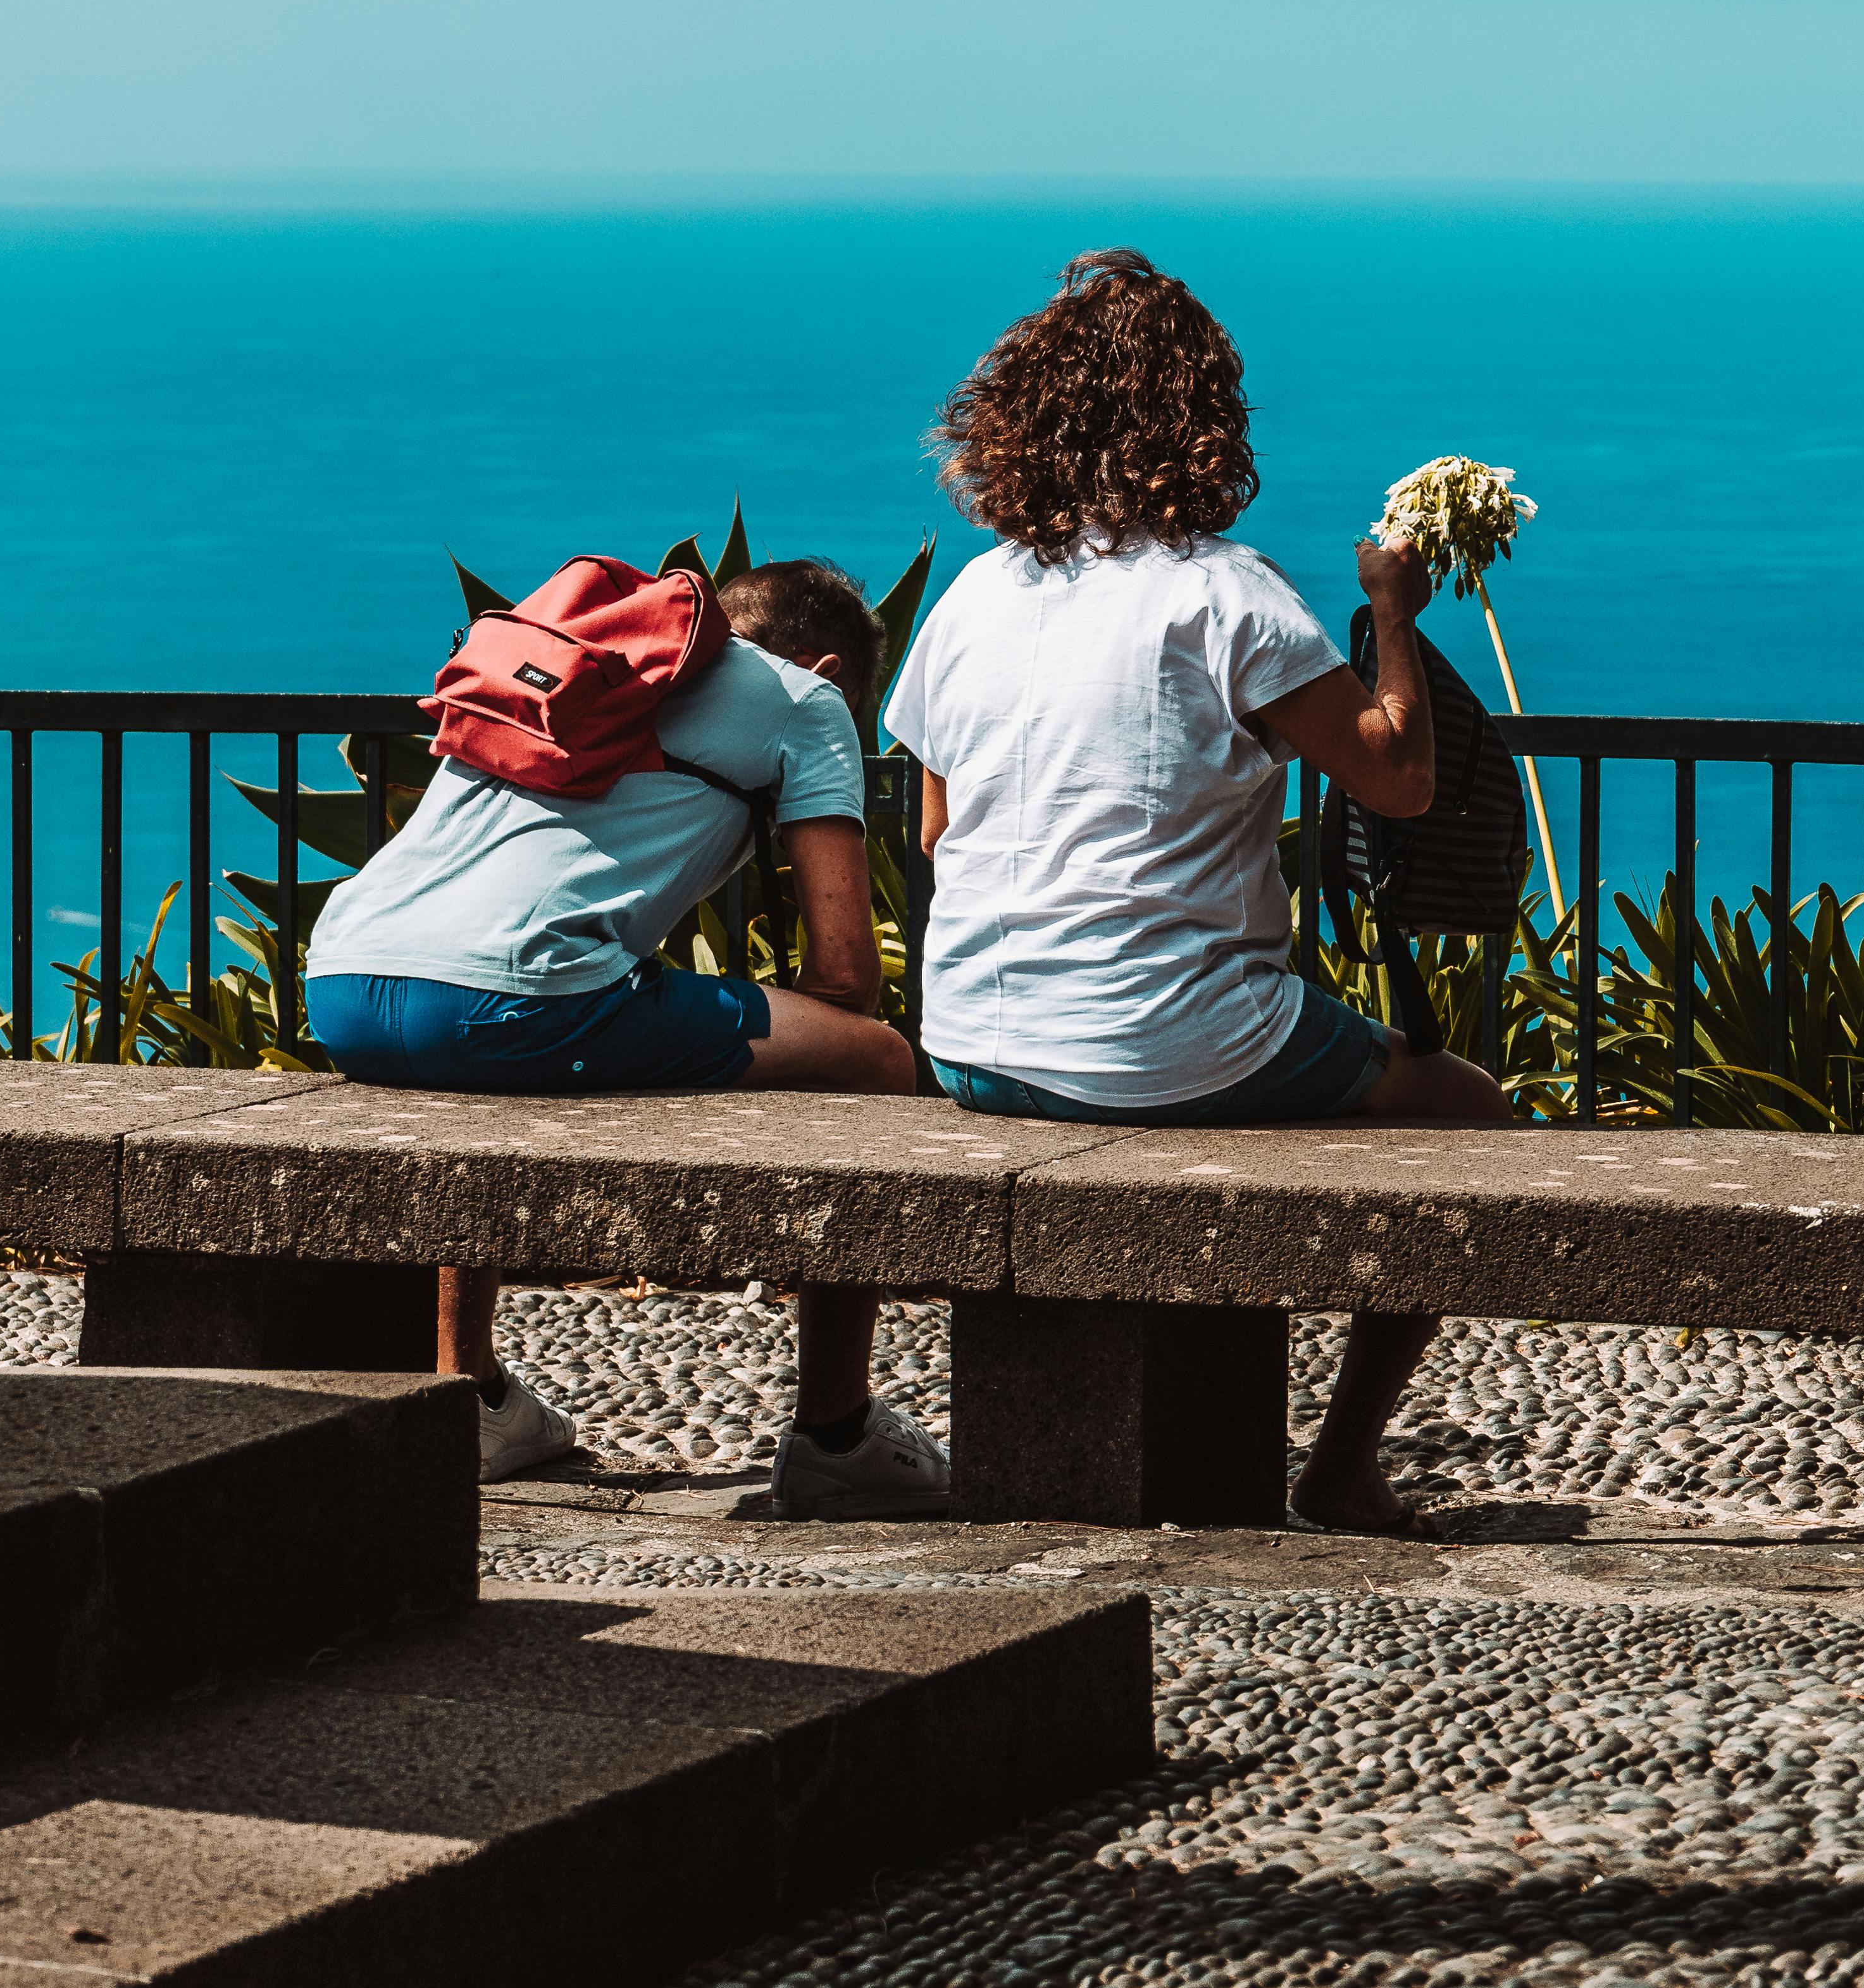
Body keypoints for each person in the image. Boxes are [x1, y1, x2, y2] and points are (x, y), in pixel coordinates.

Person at [881, 249, 1513, 1536]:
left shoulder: (978, 592)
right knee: (1467, 1109)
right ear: (1201, 419)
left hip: (972, 1038)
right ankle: (1341, 1464)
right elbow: (1394, 780)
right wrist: (1392, 610)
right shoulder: (1227, 595)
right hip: (1166, 1039)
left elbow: (942, 830)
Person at [306, 555, 947, 1520]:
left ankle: (472, 1392)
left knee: (494, 1064)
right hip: (517, 997)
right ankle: (835, 1430)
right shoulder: (806, 699)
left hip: (346, 979)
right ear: (827, 667)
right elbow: (848, 975)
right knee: (880, 1058)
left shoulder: (590, 660)